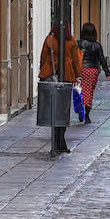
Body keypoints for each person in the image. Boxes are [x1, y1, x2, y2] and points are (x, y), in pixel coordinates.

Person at [39, 24, 81, 153]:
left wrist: (43, 70)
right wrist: (77, 75)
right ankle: (60, 139)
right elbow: (75, 60)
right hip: (66, 77)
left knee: (52, 109)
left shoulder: (49, 39)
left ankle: (56, 139)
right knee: (63, 109)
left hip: (51, 76)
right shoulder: (71, 41)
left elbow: (43, 57)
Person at [76, 22, 110, 123]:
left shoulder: (78, 43)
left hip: (80, 71)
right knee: (89, 92)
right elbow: (102, 59)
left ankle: (80, 111)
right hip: (92, 71)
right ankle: (87, 114)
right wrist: (107, 73)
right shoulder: (97, 45)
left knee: (79, 91)